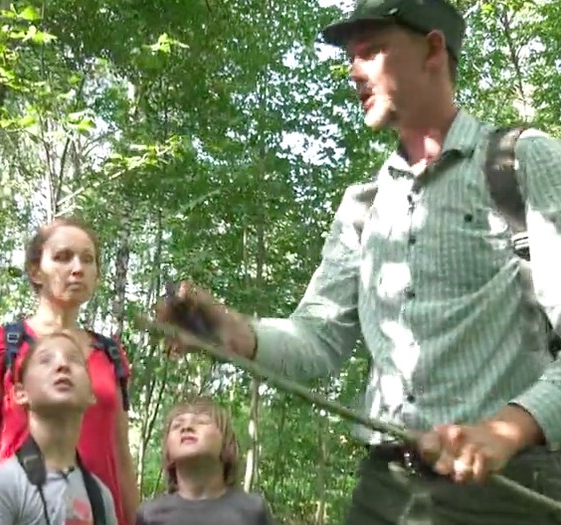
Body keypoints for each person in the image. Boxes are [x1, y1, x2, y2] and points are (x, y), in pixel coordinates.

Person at [156, 1, 561, 523]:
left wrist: (507, 429)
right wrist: (235, 333)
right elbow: (318, 338)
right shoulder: (363, 205)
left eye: (372, 50)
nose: (353, 70)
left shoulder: (520, 162)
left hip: (509, 490)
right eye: (351, 56)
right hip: (385, 491)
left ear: (433, 50)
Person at [0, 217, 139, 525]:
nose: (77, 268)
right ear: (36, 271)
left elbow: (121, 461)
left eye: (87, 260)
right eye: (63, 257)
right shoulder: (3, 344)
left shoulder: (110, 353)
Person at [0, 330, 118, 525]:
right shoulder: (4, 485)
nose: (62, 365)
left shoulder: (100, 497)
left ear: (91, 394)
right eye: (45, 360)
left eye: (74, 360)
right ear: (20, 393)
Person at [135, 397, 274, 525]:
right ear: (167, 450)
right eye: (177, 426)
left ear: (226, 443)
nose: (186, 427)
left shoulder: (253, 510)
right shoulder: (149, 515)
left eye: (201, 422)